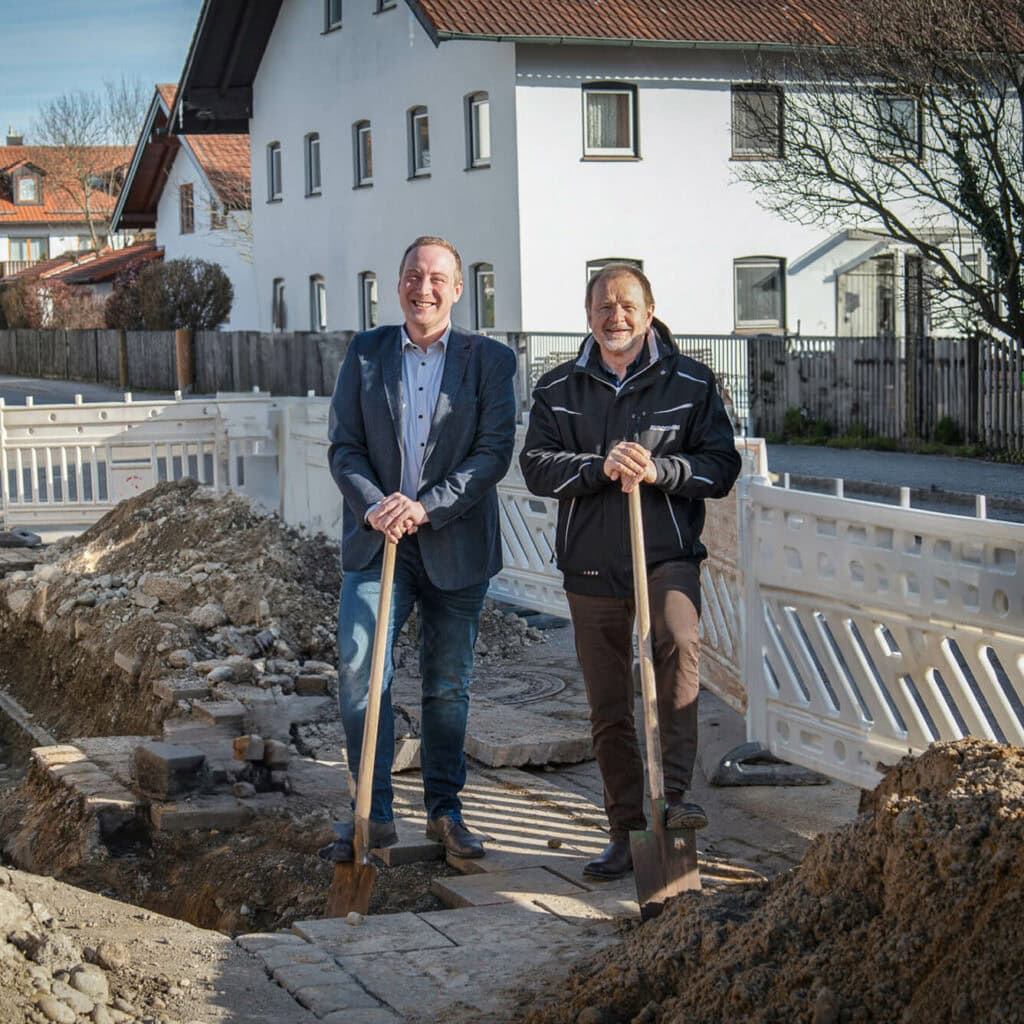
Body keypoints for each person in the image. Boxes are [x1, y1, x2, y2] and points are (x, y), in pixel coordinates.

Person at [520, 264, 741, 880]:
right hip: (590, 562)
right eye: (604, 306)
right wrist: (600, 466)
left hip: (666, 554)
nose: (615, 316)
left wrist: (661, 471)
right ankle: (624, 828)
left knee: (678, 642)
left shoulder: (690, 382)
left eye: (627, 306)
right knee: (609, 702)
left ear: (649, 311)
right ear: (588, 315)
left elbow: (721, 467)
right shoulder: (559, 387)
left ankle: (674, 802)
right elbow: (536, 466)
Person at [323, 235, 517, 861]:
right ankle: (373, 815)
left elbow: (492, 454)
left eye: (436, 278)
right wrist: (376, 504)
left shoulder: (490, 361)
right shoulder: (366, 353)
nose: (423, 287)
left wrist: (425, 506)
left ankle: (445, 812)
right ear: (398, 283)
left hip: (455, 544)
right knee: (361, 672)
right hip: (378, 540)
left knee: (446, 685)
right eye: (412, 275)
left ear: (458, 289)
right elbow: (344, 447)